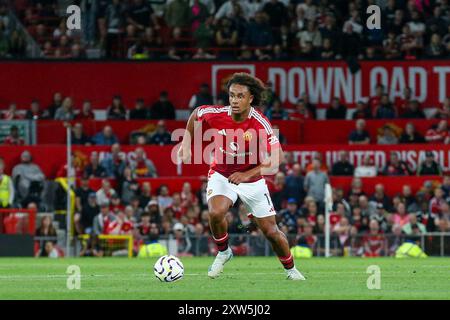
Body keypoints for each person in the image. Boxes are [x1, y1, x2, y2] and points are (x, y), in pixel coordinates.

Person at [177, 72, 305, 280]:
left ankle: (291, 270)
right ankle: (224, 251)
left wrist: (247, 174)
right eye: (232, 95)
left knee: (271, 231)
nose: (235, 101)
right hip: (221, 173)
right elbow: (196, 114)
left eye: (240, 96)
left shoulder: (259, 123)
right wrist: (185, 142)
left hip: (252, 180)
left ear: (250, 98)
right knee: (216, 212)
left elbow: (277, 157)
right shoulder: (216, 114)